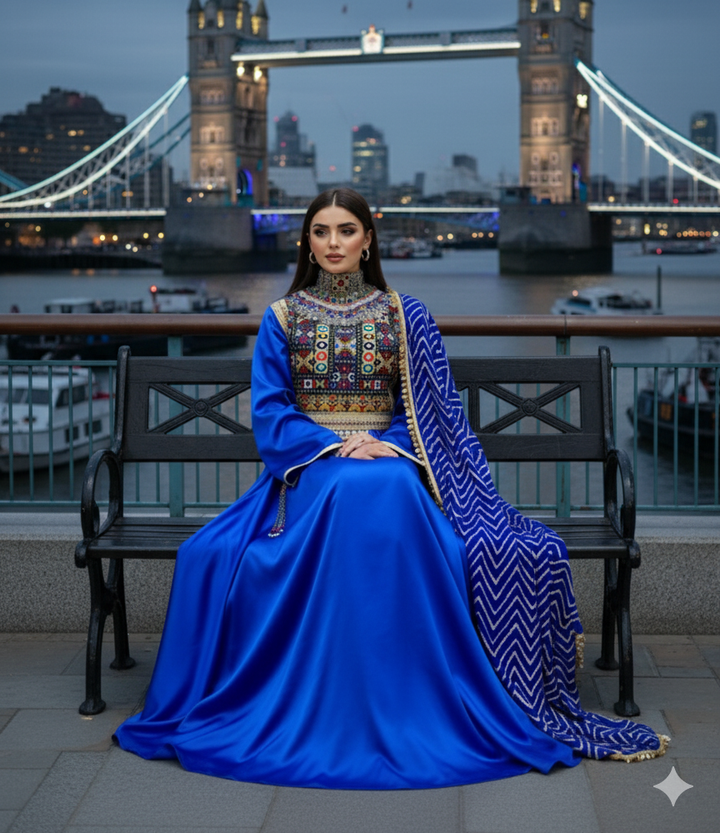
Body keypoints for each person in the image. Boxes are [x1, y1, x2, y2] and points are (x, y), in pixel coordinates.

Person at [114, 188, 667, 788]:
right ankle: (345, 692)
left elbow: (429, 408)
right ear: (307, 240)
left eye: (345, 231)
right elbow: (272, 415)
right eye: (320, 232)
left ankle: (394, 691)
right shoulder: (282, 319)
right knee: (347, 491)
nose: (332, 243)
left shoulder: (406, 316)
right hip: (310, 468)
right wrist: (337, 444)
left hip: (393, 457)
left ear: (368, 239)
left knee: (382, 484)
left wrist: (387, 443)